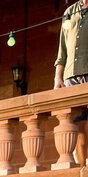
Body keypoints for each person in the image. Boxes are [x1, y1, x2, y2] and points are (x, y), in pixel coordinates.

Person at [55, 0, 88, 165]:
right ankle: (82, 168)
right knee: (77, 125)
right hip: (71, 76)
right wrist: (58, 77)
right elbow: (62, 49)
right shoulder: (69, 12)